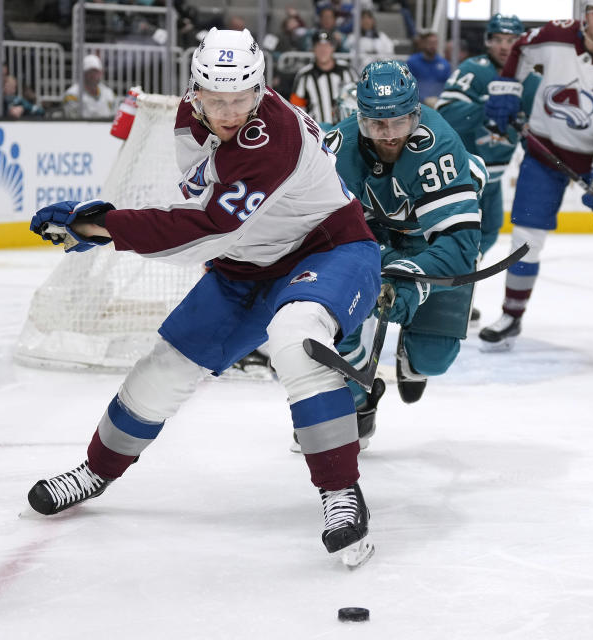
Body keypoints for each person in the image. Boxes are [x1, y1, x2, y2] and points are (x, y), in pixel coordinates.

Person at [25, 28, 381, 568]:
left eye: (240, 98)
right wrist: (104, 224)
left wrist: (102, 227)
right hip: (247, 265)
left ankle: (341, 493)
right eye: (216, 99)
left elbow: (209, 231)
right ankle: (96, 471)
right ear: (195, 91)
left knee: (296, 338)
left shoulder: (274, 134)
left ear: (260, 88)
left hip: (327, 249)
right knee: (162, 369)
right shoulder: (187, 122)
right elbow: (214, 216)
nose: (229, 111)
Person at [479, 0, 593, 357]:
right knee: (526, 238)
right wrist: (508, 89)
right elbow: (521, 47)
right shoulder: (555, 34)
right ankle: (510, 316)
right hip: (544, 150)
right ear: (585, 15)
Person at [319, 60, 487, 423]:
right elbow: (325, 239)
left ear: (417, 113)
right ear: (359, 118)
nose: (389, 135)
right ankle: (357, 401)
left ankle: (412, 357)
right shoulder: (336, 153)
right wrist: (383, 263)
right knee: (330, 315)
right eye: (377, 123)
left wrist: (410, 281)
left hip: (431, 244)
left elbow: (459, 247)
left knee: (434, 359)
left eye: (400, 121)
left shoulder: (437, 146)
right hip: (373, 240)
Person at [437, 14, 536, 263]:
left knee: (489, 234)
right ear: (488, 42)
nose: (504, 46)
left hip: (495, 180)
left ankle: (462, 295)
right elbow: (445, 115)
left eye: (511, 39)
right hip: (462, 176)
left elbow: (535, 134)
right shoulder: (474, 70)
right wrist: (486, 106)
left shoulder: (532, 82)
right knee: (454, 240)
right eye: (499, 39)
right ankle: (449, 296)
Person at [289, 30, 357, 125]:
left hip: (345, 129)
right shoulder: (304, 75)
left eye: (327, 46)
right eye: (319, 46)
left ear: (333, 48)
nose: (323, 50)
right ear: (313, 49)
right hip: (317, 132)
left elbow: (359, 100)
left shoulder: (347, 71)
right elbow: (296, 108)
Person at [63, 54, 117, 119]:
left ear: (101, 73)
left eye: (96, 72)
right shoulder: (72, 94)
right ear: (83, 74)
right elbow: (72, 119)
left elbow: (114, 118)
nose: (93, 75)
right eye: (90, 72)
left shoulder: (109, 94)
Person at [406, 31, 451, 105]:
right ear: (423, 44)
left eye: (435, 43)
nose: (433, 46)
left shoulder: (444, 64)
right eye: (430, 43)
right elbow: (408, 86)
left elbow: (447, 86)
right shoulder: (412, 62)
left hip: (438, 103)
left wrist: (439, 99)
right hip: (417, 104)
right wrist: (423, 99)